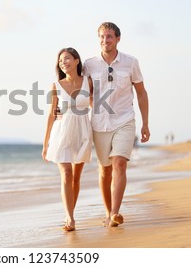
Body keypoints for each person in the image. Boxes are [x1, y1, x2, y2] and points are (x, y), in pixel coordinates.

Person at [83, 22, 150, 227]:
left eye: (109, 36)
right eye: (102, 37)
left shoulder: (130, 62)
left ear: (118, 39)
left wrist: (145, 124)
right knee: (105, 170)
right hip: (100, 124)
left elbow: (141, 93)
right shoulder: (89, 64)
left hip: (124, 120)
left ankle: (114, 213)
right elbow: (85, 93)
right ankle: (107, 210)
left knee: (119, 162)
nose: (105, 40)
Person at [42, 47, 93, 232]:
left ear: (77, 61)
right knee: (66, 174)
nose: (63, 63)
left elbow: (96, 106)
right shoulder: (56, 85)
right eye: (61, 60)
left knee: (76, 178)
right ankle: (70, 218)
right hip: (61, 132)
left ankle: (71, 211)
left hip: (82, 131)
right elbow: (51, 115)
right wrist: (45, 143)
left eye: (67, 59)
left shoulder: (88, 82)